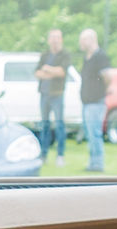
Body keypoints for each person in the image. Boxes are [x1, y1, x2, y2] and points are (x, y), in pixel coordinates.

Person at [35, 29, 71, 167]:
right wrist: (50, 72)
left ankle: (60, 155)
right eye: (52, 37)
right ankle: (43, 155)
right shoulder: (45, 54)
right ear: (49, 40)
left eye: (57, 37)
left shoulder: (65, 55)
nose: (55, 40)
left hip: (57, 94)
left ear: (61, 39)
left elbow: (61, 72)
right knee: (44, 125)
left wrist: (47, 69)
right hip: (44, 95)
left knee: (59, 125)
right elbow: (37, 72)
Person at [78, 29, 112, 172]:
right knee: (89, 133)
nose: (80, 43)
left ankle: (98, 164)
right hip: (86, 102)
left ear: (91, 39)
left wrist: (102, 91)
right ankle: (92, 163)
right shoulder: (87, 58)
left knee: (95, 133)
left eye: (82, 40)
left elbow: (108, 77)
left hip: (96, 102)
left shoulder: (100, 57)